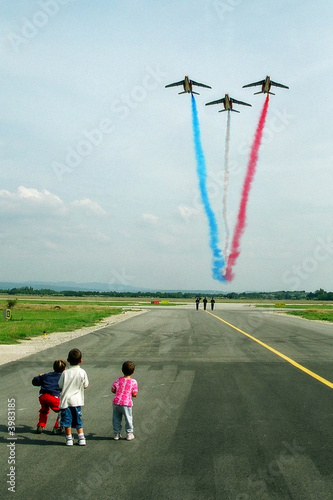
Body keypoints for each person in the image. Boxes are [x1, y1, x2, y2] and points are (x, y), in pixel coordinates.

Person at [59, 348, 89, 446]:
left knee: (67, 420)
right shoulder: (82, 372)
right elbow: (86, 385)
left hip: (66, 401)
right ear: (81, 361)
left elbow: (60, 385)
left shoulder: (65, 373)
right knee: (77, 420)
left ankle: (69, 439)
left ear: (68, 360)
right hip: (77, 400)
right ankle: (81, 437)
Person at [32, 359, 66, 434]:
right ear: (64, 369)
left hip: (42, 396)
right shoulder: (62, 377)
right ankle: (58, 427)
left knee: (44, 410)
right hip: (53, 397)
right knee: (63, 410)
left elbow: (35, 381)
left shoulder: (46, 375)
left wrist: (39, 376)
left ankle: (41, 425)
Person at [111, 361, 138, 441]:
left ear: (122, 370)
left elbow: (113, 389)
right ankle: (129, 433)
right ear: (133, 372)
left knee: (116, 418)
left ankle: (116, 433)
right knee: (128, 418)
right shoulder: (133, 382)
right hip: (126, 403)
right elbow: (134, 394)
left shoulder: (118, 380)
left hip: (116, 402)